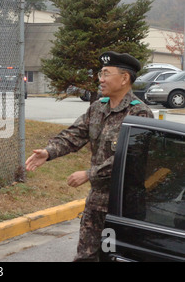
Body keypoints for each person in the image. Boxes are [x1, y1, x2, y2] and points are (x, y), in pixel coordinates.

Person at [25, 51, 153, 262]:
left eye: (106, 74)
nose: (100, 79)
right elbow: (73, 135)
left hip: (123, 206)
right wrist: (48, 152)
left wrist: (89, 174)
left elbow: (130, 158)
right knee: (85, 257)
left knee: (116, 257)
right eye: (100, 73)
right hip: (96, 202)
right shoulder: (97, 108)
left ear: (124, 78)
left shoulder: (140, 114)